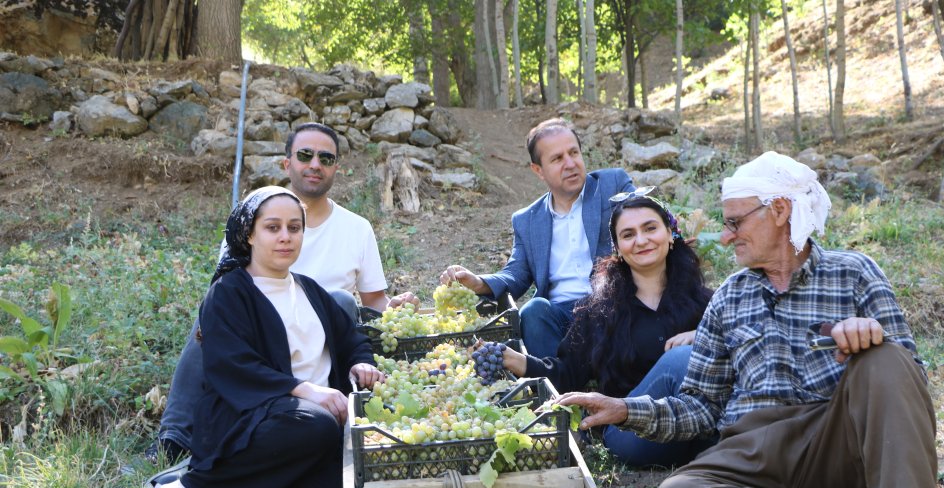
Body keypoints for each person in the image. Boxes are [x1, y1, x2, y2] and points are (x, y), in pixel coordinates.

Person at [557, 152, 944, 488]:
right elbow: (700, 407)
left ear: (780, 211)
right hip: (753, 451)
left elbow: (911, 380)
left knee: (887, 357)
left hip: (837, 443)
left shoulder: (855, 272)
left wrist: (871, 340)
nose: (726, 236)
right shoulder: (729, 297)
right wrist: (626, 410)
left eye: (735, 222)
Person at [150, 123, 416, 462]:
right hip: (260, 340)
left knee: (339, 300)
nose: (315, 164)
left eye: (326, 158)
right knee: (211, 315)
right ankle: (175, 434)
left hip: (323, 337)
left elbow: (374, 302)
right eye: (305, 155)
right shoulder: (253, 217)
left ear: (336, 167)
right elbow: (228, 294)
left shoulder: (356, 229)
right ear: (287, 163)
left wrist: (396, 310)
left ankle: (324, 409)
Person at [146, 186, 383, 488]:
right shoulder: (229, 294)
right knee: (315, 424)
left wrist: (361, 362)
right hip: (254, 420)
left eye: (294, 228)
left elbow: (352, 339)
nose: (286, 237)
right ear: (249, 234)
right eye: (273, 228)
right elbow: (234, 367)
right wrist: (304, 391)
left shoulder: (309, 290)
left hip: (318, 430)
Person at [487, 191, 714, 466]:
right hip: (632, 434)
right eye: (628, 234)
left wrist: (704, 336)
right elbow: (566, 374)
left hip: (695, 425)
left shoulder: (705, 302)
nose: (641, 240)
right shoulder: (601, 309)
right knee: (680, 359)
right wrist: (516, 361)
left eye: (650, 228)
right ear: (617, 248)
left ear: (670, 233)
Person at [440, 117, 634, 358]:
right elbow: (516, 274)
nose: (570, 163)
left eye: (574, 153)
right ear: (538, 170)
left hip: (613, 303)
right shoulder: (527, 220)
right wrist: (479, 282)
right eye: (557, 158)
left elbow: (647, 220)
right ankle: (554, 380)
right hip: (561, 315)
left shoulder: (612, 184)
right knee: (533, 311)